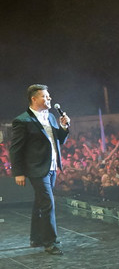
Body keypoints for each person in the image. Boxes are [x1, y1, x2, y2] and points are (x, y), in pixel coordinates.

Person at [9, 84, 71, 255]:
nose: (49, 99)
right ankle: (50, 242)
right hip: (36, 168)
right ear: (34, 99)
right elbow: (15, 148)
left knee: (40, 203)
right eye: (45, 96)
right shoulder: (22, 120)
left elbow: (58, 140)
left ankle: (36, 238)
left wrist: (64, 127)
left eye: (49, 96)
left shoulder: (51, 117)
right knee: (47, 203)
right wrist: (19, 172)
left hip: (51, 166)